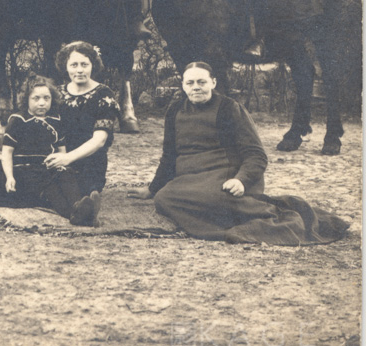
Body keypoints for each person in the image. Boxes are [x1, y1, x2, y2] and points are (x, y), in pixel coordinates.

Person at [130, 62, 347, 244]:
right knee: (164, 198)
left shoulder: (229, 108)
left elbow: (256, 155)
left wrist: (241, 181)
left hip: (226, 175)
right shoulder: (175, 110)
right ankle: (228, 217)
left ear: (213, 83)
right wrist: (152, 188)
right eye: (190, 83)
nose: (196, 87)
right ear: (183, 86)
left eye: (202, 82)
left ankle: (267, 212)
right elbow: (168, 156)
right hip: (189, 179)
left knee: (209, 197)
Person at [0, 76, 101, 225]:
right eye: (36, 98)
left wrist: (63, 165)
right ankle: (79, 214)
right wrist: (10, 177)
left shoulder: (56, 120)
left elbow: (61, 150)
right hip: (26, 170)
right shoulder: (18, 120)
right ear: (27, 99)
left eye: (46, 98)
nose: (42, 103)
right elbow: (7, 152)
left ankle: (80, 207)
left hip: (49, 166)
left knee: (66, 178)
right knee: (51, 190)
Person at [47, 41, 118, 203]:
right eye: (74, 65)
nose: (79, 70)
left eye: (84, 64)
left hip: (89, 162)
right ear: (65, 66)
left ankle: (86, 204)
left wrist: (67, 158)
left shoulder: (104, 95)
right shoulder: (57, 93)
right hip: (59, 155)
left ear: (93, 65)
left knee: (78, 192)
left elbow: (99, 141)